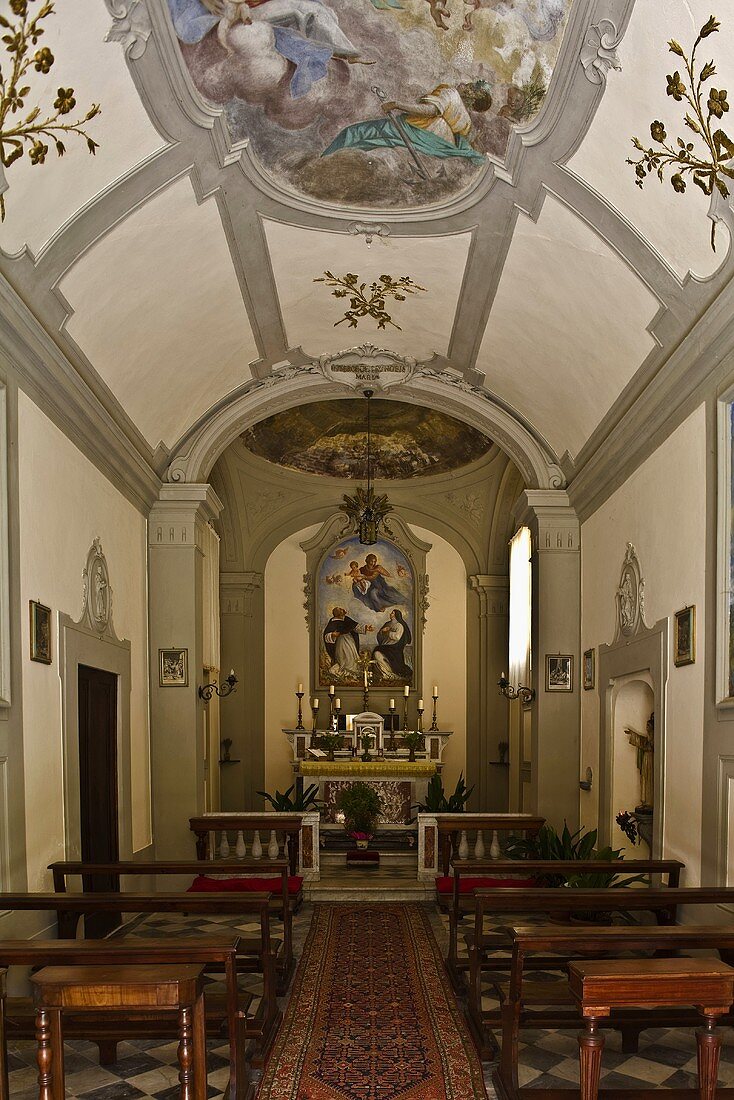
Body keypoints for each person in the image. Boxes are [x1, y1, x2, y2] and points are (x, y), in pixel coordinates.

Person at [169, 0, 371, 101]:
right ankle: (340, 52)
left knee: (315, 11)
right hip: (245, 10)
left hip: (253, 6)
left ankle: (342, 51)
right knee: (305, 11)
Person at [322, 81, 492, 165]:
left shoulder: (450, 93)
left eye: (469, 85)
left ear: (471, 93)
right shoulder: (466, 119)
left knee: (354, 132)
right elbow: (465, 140)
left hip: (417, 131)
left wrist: (397, 105)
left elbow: (431, 111)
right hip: (441, 145)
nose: (464, 83)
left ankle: (323, 161)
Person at [323, 606, 372, 677]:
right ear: (337, 613)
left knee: (353, 657)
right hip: (341, 642)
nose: (343, 609)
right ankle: (347, 672)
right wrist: (332, 634)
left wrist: (366, 628)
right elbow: (326, 635)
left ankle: (352, 672)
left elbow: (356, 627)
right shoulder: (333, 621)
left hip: (350, 641)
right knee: (345, 658)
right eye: (340, 609)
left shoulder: (346, 619)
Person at [373, 609, 412, 680]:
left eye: (392, 613)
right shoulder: (387, 624)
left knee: (377, 653)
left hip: (393, 649)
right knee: (377, 654)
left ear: (396, 615)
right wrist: (382, 632)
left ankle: (390, 674)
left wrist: (388, 632)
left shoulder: (399, 625)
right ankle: (386, 673)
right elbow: (380, 635)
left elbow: (397, 637)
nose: (390, 614)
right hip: (385, 647)